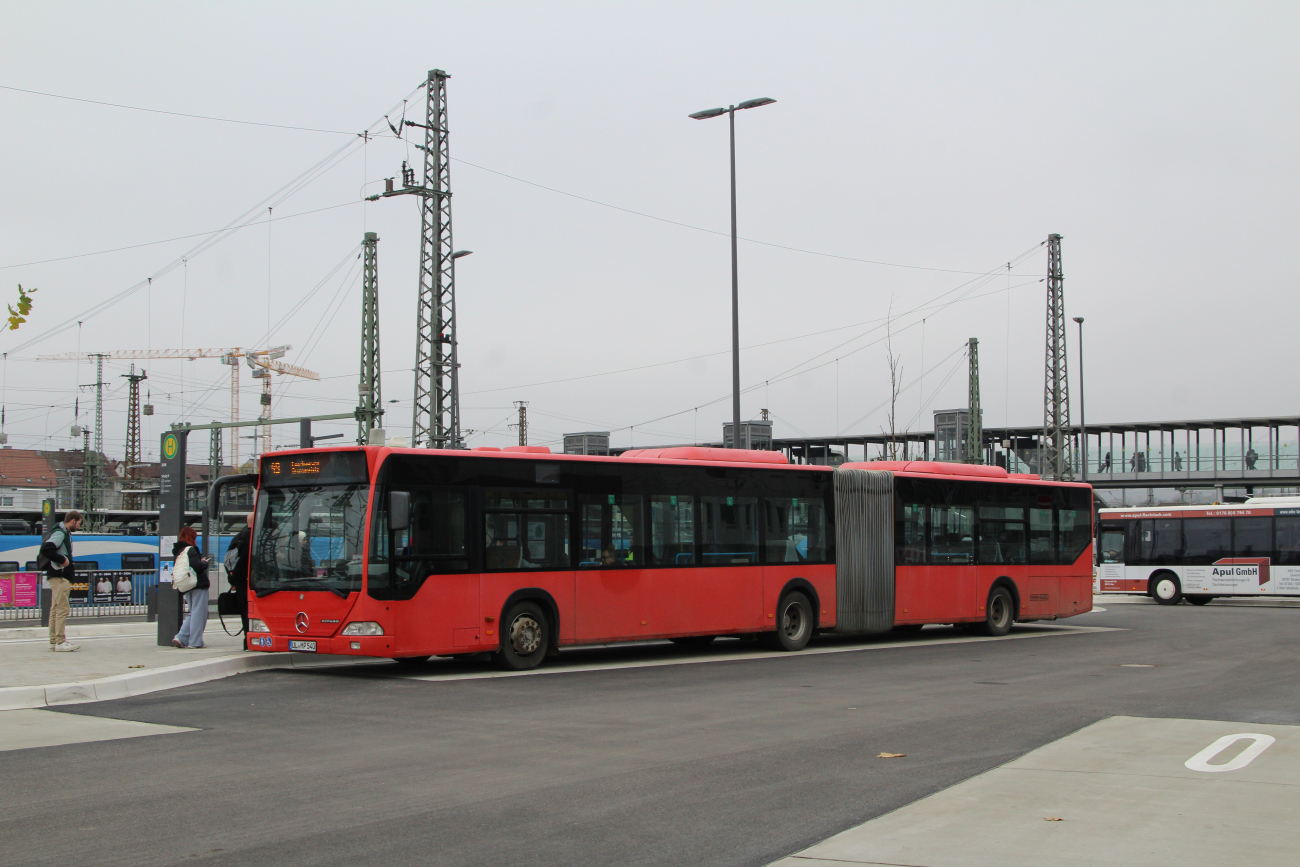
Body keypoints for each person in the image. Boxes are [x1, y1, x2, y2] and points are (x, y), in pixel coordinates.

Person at [39, 510, 83, 652]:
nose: (79, 527)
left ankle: (54, 640)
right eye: (79, 524)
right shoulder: (60, 533)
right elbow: (47, 549)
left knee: (56, 608)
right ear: (73, 521)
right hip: (60, 575)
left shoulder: (62, 533)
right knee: (62, 609)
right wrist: (63, 560)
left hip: (57, 575)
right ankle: (60, 641)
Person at [171, 526, 211, 649]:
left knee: (193, 612)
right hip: (197, 584)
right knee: (199, 613)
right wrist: (204, 562)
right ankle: (195, 642)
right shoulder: (190, 550)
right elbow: (196, 566)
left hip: (187, 585)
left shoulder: (179, 551)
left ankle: (181, 637)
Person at [226, 512, 253, 646]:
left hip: (241, 582)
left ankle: (247, 639)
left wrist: (233, 580)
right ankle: (251, 639)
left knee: (244, 613)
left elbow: (229, 560)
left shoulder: (237, 538)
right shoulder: (253, 537)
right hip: (252, 582)